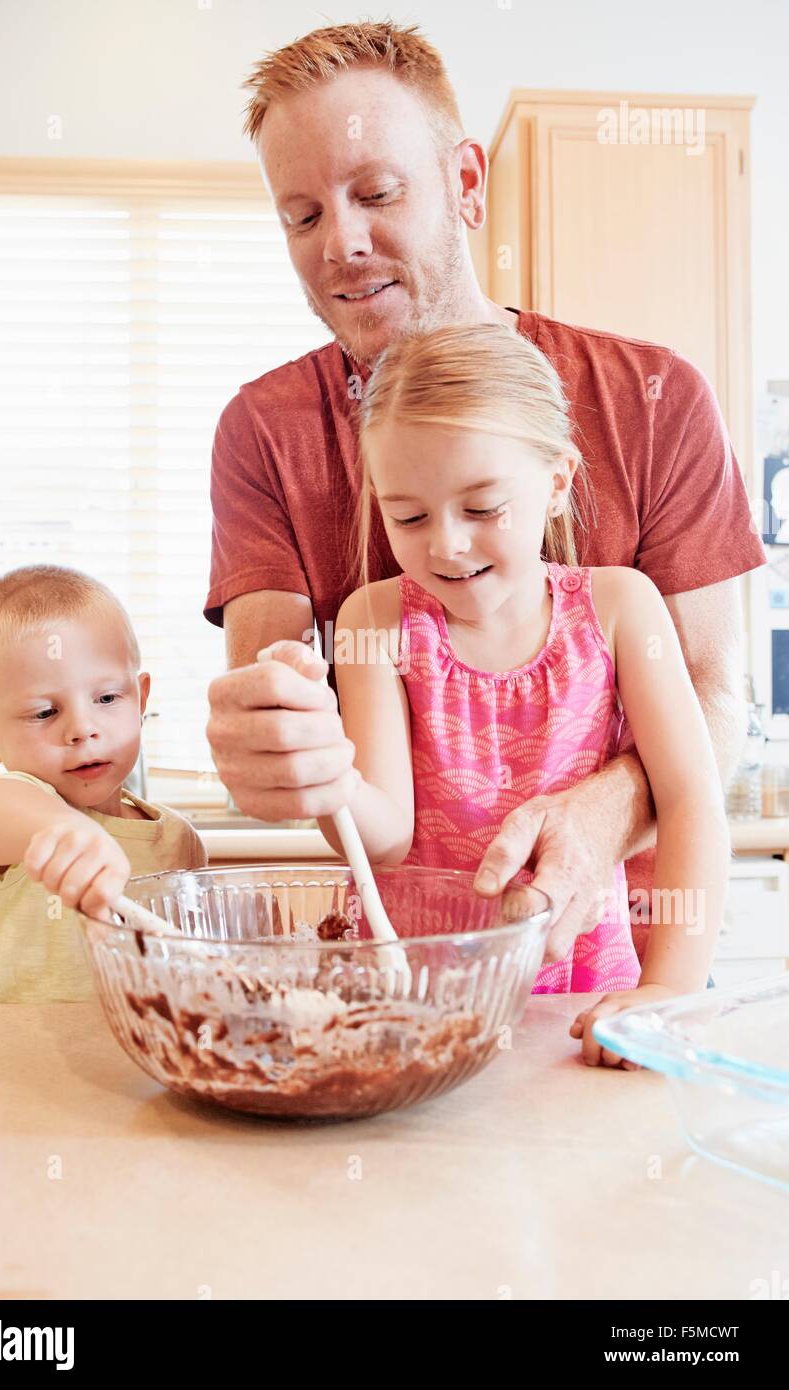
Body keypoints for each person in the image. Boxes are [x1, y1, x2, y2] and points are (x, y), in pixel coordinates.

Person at [204, 20, 765, 969]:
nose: (339, 243)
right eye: (301, 217)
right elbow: (308, 747)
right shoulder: (265, 430)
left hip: (606, 976)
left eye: (376, 192)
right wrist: (279, 746)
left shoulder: (652, 396)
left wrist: (603, 814)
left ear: (466, 184)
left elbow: (717, 707)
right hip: (414, 977)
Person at [312, 322, 730, 1064]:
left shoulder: (621, 607)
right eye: (407, 515)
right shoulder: (372, 620)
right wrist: (322, 769)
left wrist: (671, 989)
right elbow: (387, 837)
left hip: (578, 998)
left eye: (481, 508)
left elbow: (692, 798)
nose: (446, 544)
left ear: (558, 482)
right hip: (414, 1005)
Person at [0, 566, 207, 1004]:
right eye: (45, 713)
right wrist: (62, 830)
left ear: (141, 699)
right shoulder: (18, 808)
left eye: (106, 699)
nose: (83, 729)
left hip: (129, 1069)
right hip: (0, 1068)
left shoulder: (178, 840)